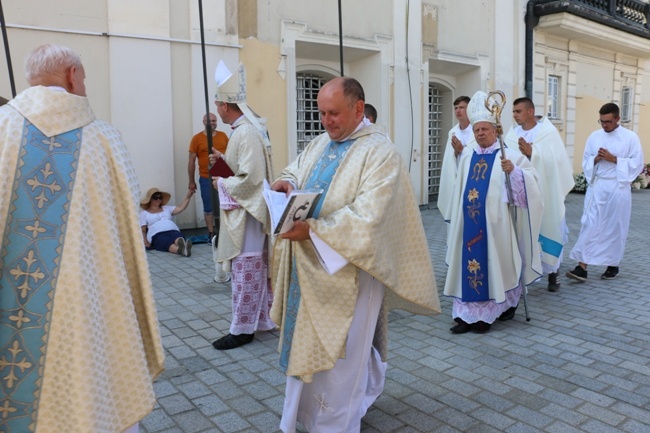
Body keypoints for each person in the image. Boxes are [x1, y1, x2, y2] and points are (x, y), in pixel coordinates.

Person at [0, 44, 163, 433]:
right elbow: (126, 225)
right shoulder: (104, 138)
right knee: (94, 384)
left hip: (12, 308)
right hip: (91, 305)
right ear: (72, 75)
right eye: (85, 77)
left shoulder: (2, 130)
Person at [270, 76, 440, 433]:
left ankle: (336, 424)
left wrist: (314, 231)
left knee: (343, 357)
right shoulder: (320, 142)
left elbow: (370, 217)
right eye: (321, 113)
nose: (326, 121)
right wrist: (284, 181)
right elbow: (296, 169)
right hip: (309, 267)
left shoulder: (380, 152)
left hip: (352, 270)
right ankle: (302, 417)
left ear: (358, 108)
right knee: (307, 343)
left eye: (333, 113)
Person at [444, 90, 543, 334]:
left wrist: (514, 172)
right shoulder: (468, 155)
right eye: (477, 130)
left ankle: (489, 313)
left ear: (496, 130)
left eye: (485, 129)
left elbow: (532, 181)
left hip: (496, 227)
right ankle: (465, 314)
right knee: (466, 267)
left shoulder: (508, 153)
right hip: (468, 226)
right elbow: (459, 189)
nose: (480, 134)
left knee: (494, 266)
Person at [210, 61, 276, 350]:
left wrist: (220, 183)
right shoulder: (244, 130)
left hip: (248, 215)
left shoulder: (245, 132)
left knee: (245, 270)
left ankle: (242, 330)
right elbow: (243, 169)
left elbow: (251, 179)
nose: (216, 108)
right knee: (251, 269)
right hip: (247, 211)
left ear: (225, 105)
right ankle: (260, 319)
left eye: (217, 104)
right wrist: (224, 163)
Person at [566, 102, 644, 282]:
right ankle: (581, 267)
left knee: (614, 227)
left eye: (608, 122)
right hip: (598, 186)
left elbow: (637, 164)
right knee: (590, 224)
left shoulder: (630, 138)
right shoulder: (594, 136)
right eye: (601, 121)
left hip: (618, 188)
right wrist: (596, 159)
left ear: (617, 118)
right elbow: (585, 160)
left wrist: (613, 159)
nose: (604, 125)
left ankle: (612, 264)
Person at [505, 97, 574, 291]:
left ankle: (553, 272)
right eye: (513, 111)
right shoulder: (512, 134)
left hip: (545, 191)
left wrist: (532, 153)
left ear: (530, 111)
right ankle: (523, 274)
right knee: (524, 231)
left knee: (550, 226)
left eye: (518, 111)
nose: (515, 115)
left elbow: (557, 162)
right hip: (522, 191)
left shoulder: (547, 132)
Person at [188, 112, 229, 241]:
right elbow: (191, 161)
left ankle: (224, 233)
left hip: (224, 176)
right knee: (209, 207)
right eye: (209, 121)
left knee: (225, 204)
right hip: (206, 177)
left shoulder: (223, 136)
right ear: (203, 122)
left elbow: (230, 155)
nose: (211, 123)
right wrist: (191, 181)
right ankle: (212, 234)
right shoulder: (197, 139)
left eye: (214, 120)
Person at [437, 95, 474, 221]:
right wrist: (456, 153)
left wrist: (462, 150)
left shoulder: (477, 131)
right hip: (456, 177)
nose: (458, 110)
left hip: (471, 179)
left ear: (470, 109)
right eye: (456, 108)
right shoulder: (452, 132)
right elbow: (449, 159)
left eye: (462, 107)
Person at [140, 187, 195, 256]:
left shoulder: (167, 208)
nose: (158, 199)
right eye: (155, 198)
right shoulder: (144, 213)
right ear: (150, 199)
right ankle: (181, 250)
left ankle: (182, 246)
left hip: (172, 230)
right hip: (156, 234)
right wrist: (145, 242)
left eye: (160, 198)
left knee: (178, 237)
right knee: (165, 242)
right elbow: (143, 230)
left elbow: (181, 208)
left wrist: (188, 196)